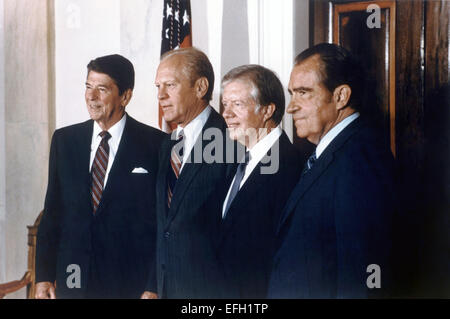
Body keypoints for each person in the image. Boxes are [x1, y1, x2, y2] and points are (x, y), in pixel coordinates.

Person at [268, 43, 396, 298]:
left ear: (341, 97)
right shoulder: (331, 150)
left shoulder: (360, 159)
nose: (291, 107)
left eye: (304, 93)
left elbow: (361, 277)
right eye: (292, 93)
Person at [35, 54, 165, 299]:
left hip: (129, 284)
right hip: (73, 279)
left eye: (101, 89)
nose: (91, 97)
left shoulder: (156, 145)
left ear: (125, 96)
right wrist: (42, 276)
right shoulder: (65, 141)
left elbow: (161, 226)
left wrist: (153, 285)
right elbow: (53, 213)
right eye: (88, 87)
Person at [141, 47, 236, 299]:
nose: (160, 96)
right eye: (157, 87)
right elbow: (165, 226)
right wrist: (153, 285)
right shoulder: (168, 144)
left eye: (169, 85)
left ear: (201, 87)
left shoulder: (232, 140)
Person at [218, 65, 303, 298]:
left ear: (267, 111)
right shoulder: (239, 161)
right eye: (225, 104)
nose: (226, 113)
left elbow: (288, 257)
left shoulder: (289, 166)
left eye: (237, 104)